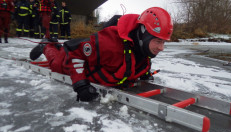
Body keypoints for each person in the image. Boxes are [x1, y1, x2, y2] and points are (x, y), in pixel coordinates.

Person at [29, 7, 173, 102]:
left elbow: (136, 61)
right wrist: (80, 85)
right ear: (143, 35)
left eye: (163, 42)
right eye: (158, 41)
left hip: (98, 66)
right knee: (56, 63)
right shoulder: (109, 43)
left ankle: (54, 45)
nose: (161, 48)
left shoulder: (143, 49)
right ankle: (47, 44)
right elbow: (75, 54)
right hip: (75, 59)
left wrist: (144, 73)